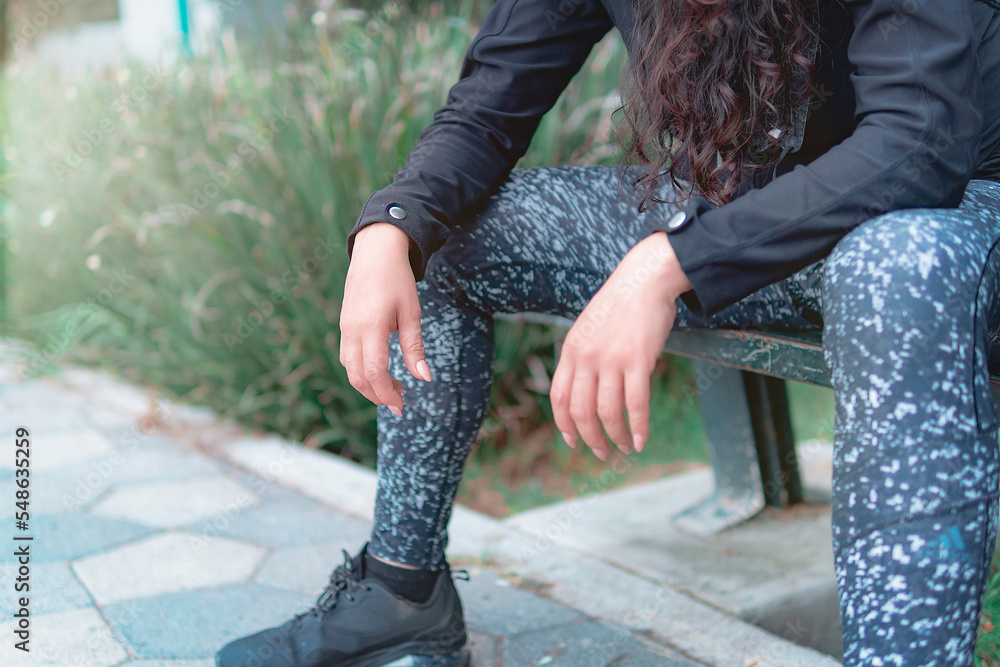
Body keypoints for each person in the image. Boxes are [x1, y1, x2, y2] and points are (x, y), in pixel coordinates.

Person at [216, 0, 1000, 664]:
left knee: (896, 266)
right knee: (441, 234)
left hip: (950, 220)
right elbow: (491, 103)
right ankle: (399, 590)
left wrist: (669, 263)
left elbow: (917, 143)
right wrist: (391, 225)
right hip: (747, 214)